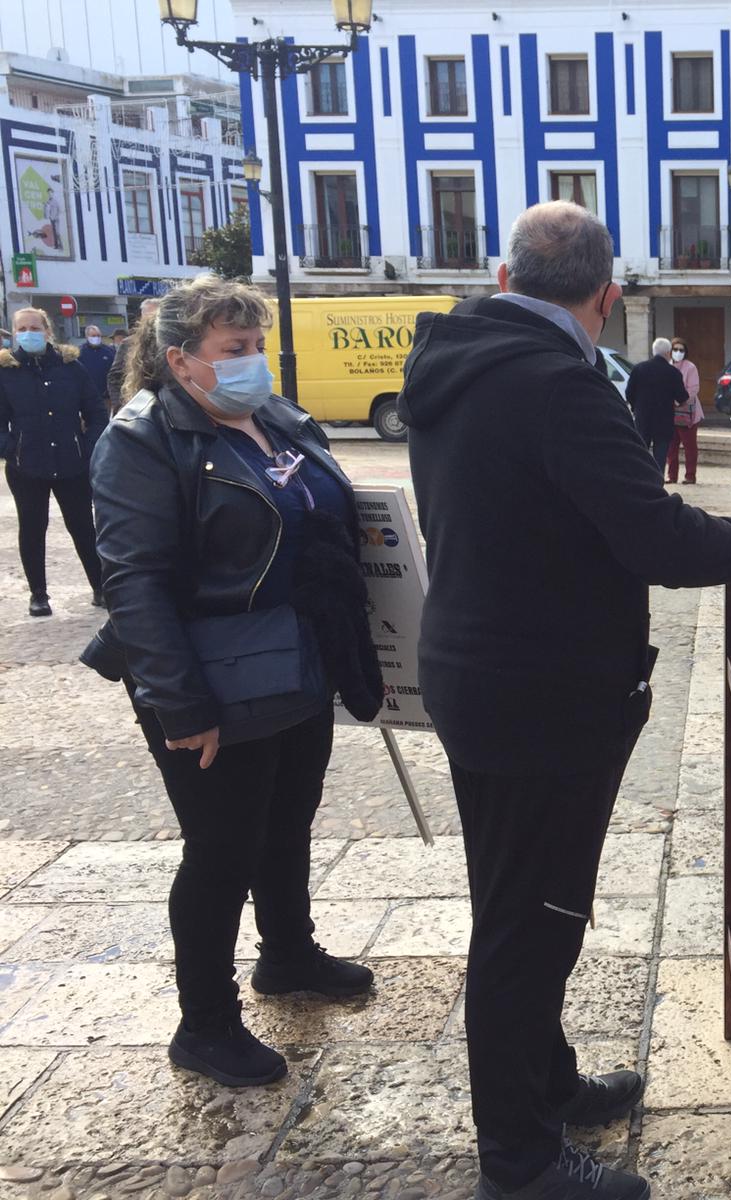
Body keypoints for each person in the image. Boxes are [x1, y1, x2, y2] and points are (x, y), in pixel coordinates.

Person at [396, 201, 731, 1200]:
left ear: (504, 281)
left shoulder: (459, 366)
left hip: (482, 676)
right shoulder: (556, 386)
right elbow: (660, 540)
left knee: (520, 905)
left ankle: (551, 1083)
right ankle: (521, 1163)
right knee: (528, 924)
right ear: (607, 296)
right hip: (539, 696)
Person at [81, 274, 383, 1090]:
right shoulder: (143, 440)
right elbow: (134, 583)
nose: (252, 362)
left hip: (296, 661)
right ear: (182, 361)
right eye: (233, 350)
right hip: (211, 681)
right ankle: (204, 1022)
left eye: (256, 346)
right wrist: (180, 704)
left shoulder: (275, 419)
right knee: (220, 849)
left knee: (287, 820)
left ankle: (287, 955)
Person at [0, 307, 107, 616]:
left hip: (71, 462)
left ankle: (100, 588)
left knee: (83, 526)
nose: (28, 332)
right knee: (32, 528)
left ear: (47, 331)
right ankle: (38, 594)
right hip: (26, 465)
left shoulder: (69, 366)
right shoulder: (7, 371)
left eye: (35, 326)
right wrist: (10, 449)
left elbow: (96, 412)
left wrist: (87, 446)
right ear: (15, 332)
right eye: (22, 328)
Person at [626, 337, 687, 473]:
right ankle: (658, 484)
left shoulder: (639, 369)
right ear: (668, 353)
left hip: (643, 418)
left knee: (641, 453)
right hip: (663, 420)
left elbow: (629, 392)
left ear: (653, 351)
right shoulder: (673, 372)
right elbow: (682, 397)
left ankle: (640, 480)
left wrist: (636, 407)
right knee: (660, 456)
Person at [109, 299, 161, 414]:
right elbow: (115, 377)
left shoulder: (170, 343)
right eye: (148, 317)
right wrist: (120, 406)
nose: (151, 321)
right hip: (137, 406)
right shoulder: (129, 344)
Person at [666, 336, 703, 485]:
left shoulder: (690, 367)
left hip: (688, 413)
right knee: (671, 447)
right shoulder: (666, 365)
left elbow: (693, 389)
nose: (678, 352)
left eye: (681, 350)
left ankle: (690, 475)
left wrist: (677, 401)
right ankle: (671, 475)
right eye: (675, 349)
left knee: (690, 447)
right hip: (669, 413)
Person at [79, 324, 116, 403]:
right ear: (87, 336)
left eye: (98, 335)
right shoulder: (80, 352)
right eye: (93, 336)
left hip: (106, 397)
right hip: (87, 397)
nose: (96, 338)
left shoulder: (109, 351)